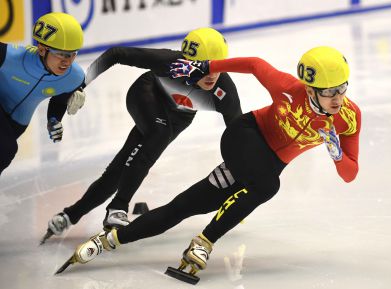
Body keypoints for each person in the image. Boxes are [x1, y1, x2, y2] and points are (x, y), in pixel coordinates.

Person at [56, 46, 361, 284]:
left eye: (342, 88)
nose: (338, 98)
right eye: (329, 91)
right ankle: (204, 242)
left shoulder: (349, 118)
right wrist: (208, 66)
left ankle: (108, 241)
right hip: (244, 137)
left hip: (263, 166)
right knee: (267, 186)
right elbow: (255, 64)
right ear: (309, 88)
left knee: (187, 205)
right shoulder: (287, 88)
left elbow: (350, 173)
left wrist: (337, 156)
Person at [41, 28, 243, 244]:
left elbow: (240, 137)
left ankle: (70, 214)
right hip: (146, 95)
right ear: (187, 62)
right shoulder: (171, 63)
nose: (212, 74)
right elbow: (116, 53)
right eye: (203, 66)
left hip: (178, 118)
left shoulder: (225, 92)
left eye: (218, 66)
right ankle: (118, 206)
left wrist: (242, 181)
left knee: (119, 171)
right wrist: (81, 85)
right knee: (159, 132)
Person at [0, 12, 86, 176]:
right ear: (41, 49)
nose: (67, 61)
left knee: (4, 153)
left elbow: (59, 101)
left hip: (16, 122)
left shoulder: (74, 77)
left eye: (72, 54)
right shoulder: (10, 55)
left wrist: (54, 120)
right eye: (61, 54)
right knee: (6, 148)